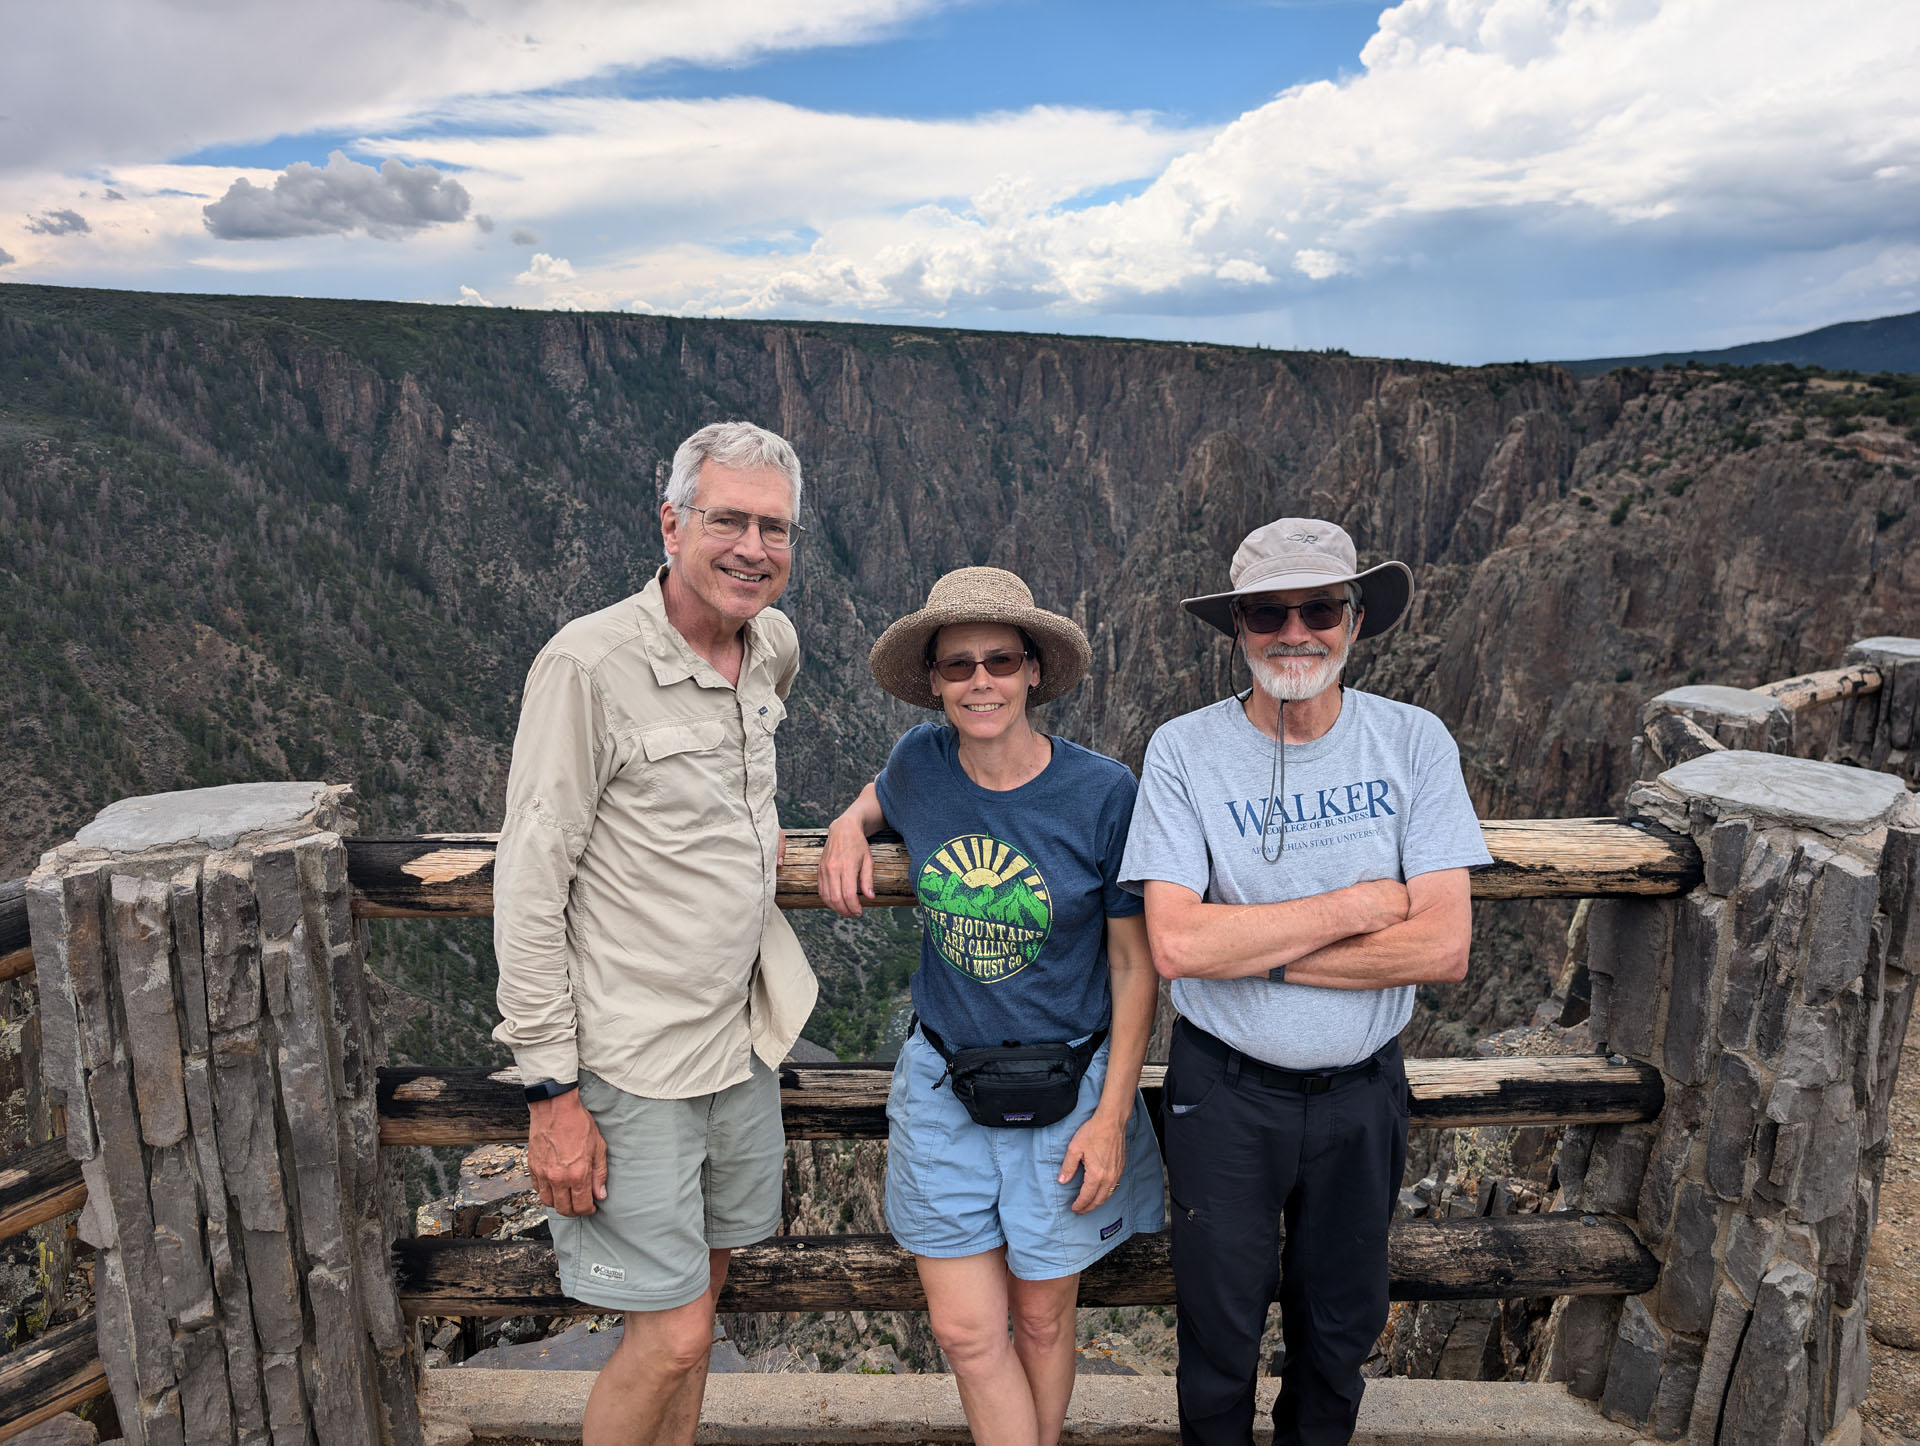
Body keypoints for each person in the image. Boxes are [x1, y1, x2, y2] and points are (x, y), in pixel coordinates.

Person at [1119, 519, 1492, 1446]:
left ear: (1354, 621)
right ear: (1238, 627)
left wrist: (1258, 950)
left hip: (1363, 1093)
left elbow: (1444, 947)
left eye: (1319, 609)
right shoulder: (1183, 751)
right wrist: (1360, 904)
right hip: (1226, 1093)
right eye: (1267, 613)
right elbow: (1177, 944)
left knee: (1340, 1330)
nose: (1295, 632)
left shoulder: (1413, 742)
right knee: (1219, 1333)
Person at [492, 421, 818, 1446]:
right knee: (670, 1338)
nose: (753, 548)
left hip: (739, 1044)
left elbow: (742, 768)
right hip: (633, 1062)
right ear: (672, 524)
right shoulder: (587, 667)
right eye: (729, 520)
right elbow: (529, 883)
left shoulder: (771, 646)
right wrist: (552, 1094)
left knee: (700, 1314)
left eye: (775, 528)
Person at [819, 566, 1164, 1446]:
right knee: (968, 1332)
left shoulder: (1103, 794)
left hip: (1070, 1089)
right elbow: (878, 797)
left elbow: (1135, 964)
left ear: (1033, 672)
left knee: (1042, 1323)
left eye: (1001, 661)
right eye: (959, 664)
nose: (981, 682)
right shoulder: (920, 763)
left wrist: (1112, 1117)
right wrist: (846, 828)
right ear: (933, 680)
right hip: (945, 1083)